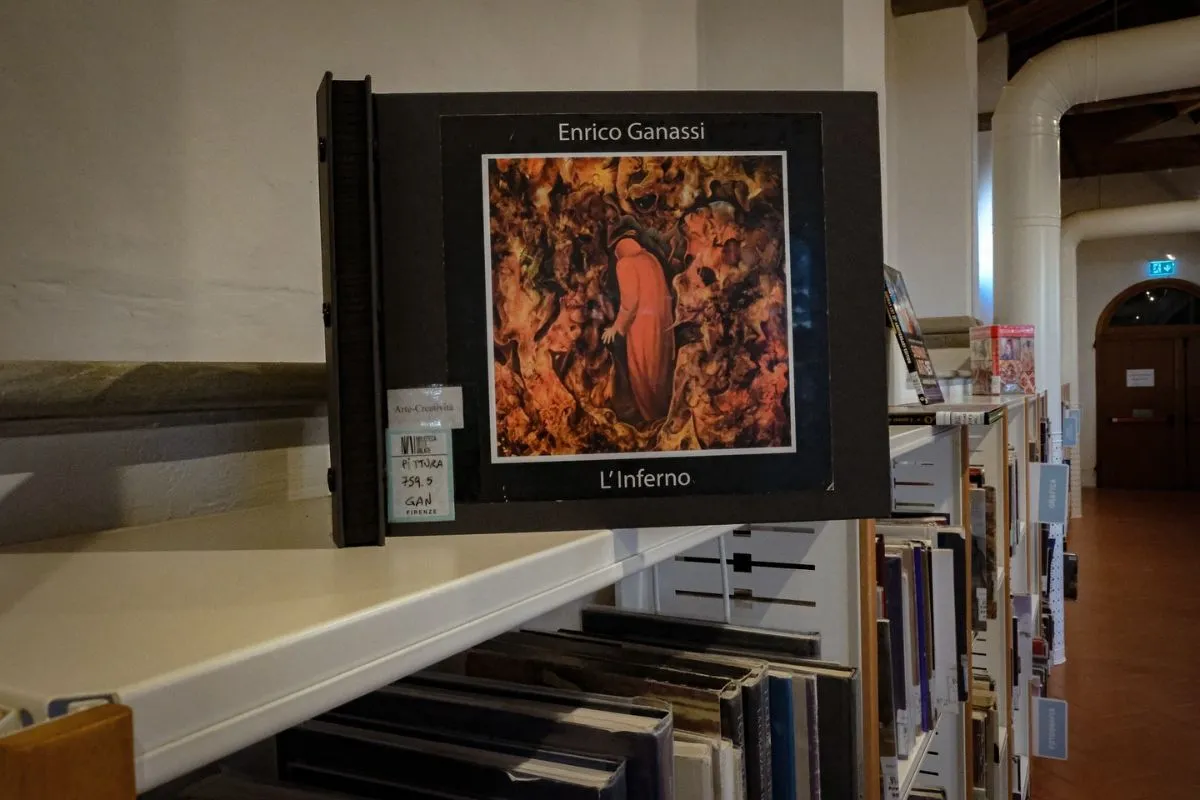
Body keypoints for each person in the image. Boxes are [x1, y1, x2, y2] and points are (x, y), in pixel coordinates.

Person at [602, 222, 675, 422]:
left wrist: (616, 327)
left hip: (642, 327)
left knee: (643, 373)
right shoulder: (650, 258)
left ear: (619, 246)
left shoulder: (625, 264)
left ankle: (652, 419)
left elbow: (630, 303)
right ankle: (662, 416)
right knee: (660, 370)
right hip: (662, 323)